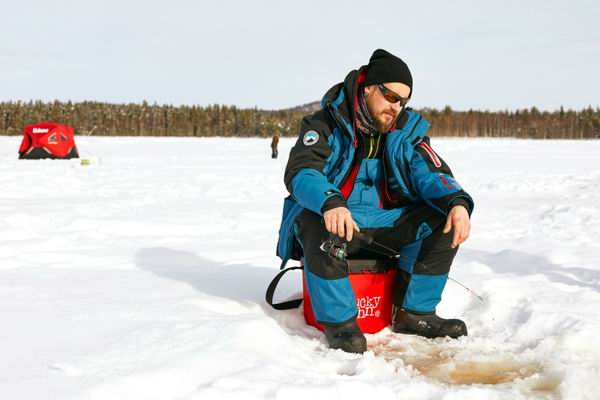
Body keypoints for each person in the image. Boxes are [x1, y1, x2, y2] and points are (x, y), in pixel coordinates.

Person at [276, 49, 474, 354]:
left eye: (403, 101)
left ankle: (415, 314)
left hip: (384, 225)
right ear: (369, 87)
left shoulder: (406, 132)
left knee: (441, 219)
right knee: (315, 217)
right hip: (336, 223)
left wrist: (456, 202)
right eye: (391, 96)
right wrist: (330, 201)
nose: (396, 107)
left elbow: (430, 171)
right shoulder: (324, 124)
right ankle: (340, 324)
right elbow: (302, 172)